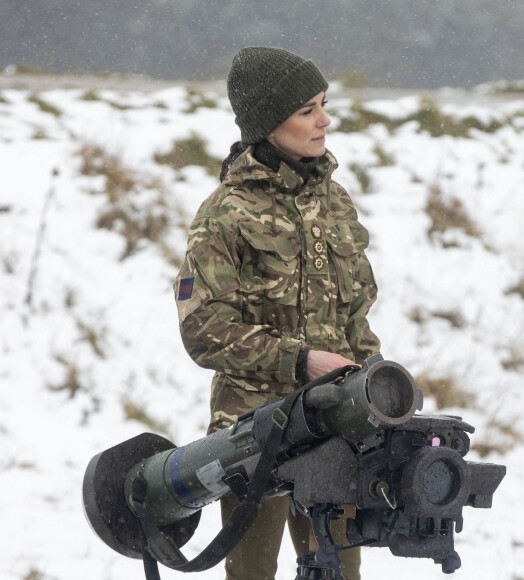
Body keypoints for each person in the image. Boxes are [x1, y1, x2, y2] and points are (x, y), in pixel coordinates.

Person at [174, 46, 381, 580]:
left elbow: (356, 315)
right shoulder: (224, 214)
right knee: (252, 575)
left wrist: (374, 388)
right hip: (252, 439)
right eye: (306, 109)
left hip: (334, 431)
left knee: (340, 573)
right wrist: (302, 361)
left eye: (323, 104)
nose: (325, 120)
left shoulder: (334, 202)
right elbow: (205, 331)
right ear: (269, 123)